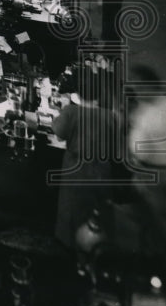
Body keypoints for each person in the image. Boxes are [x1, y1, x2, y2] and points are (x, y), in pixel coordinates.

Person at [51, 59, 124, 250]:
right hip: (101, 171)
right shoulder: (110, 116)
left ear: (79, 93)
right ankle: (92, 250)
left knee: (71, 210)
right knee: (95, 213)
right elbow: (117, 147)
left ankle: (69, 249)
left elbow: (58, 134)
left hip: (76, 171)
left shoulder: (71, 112)